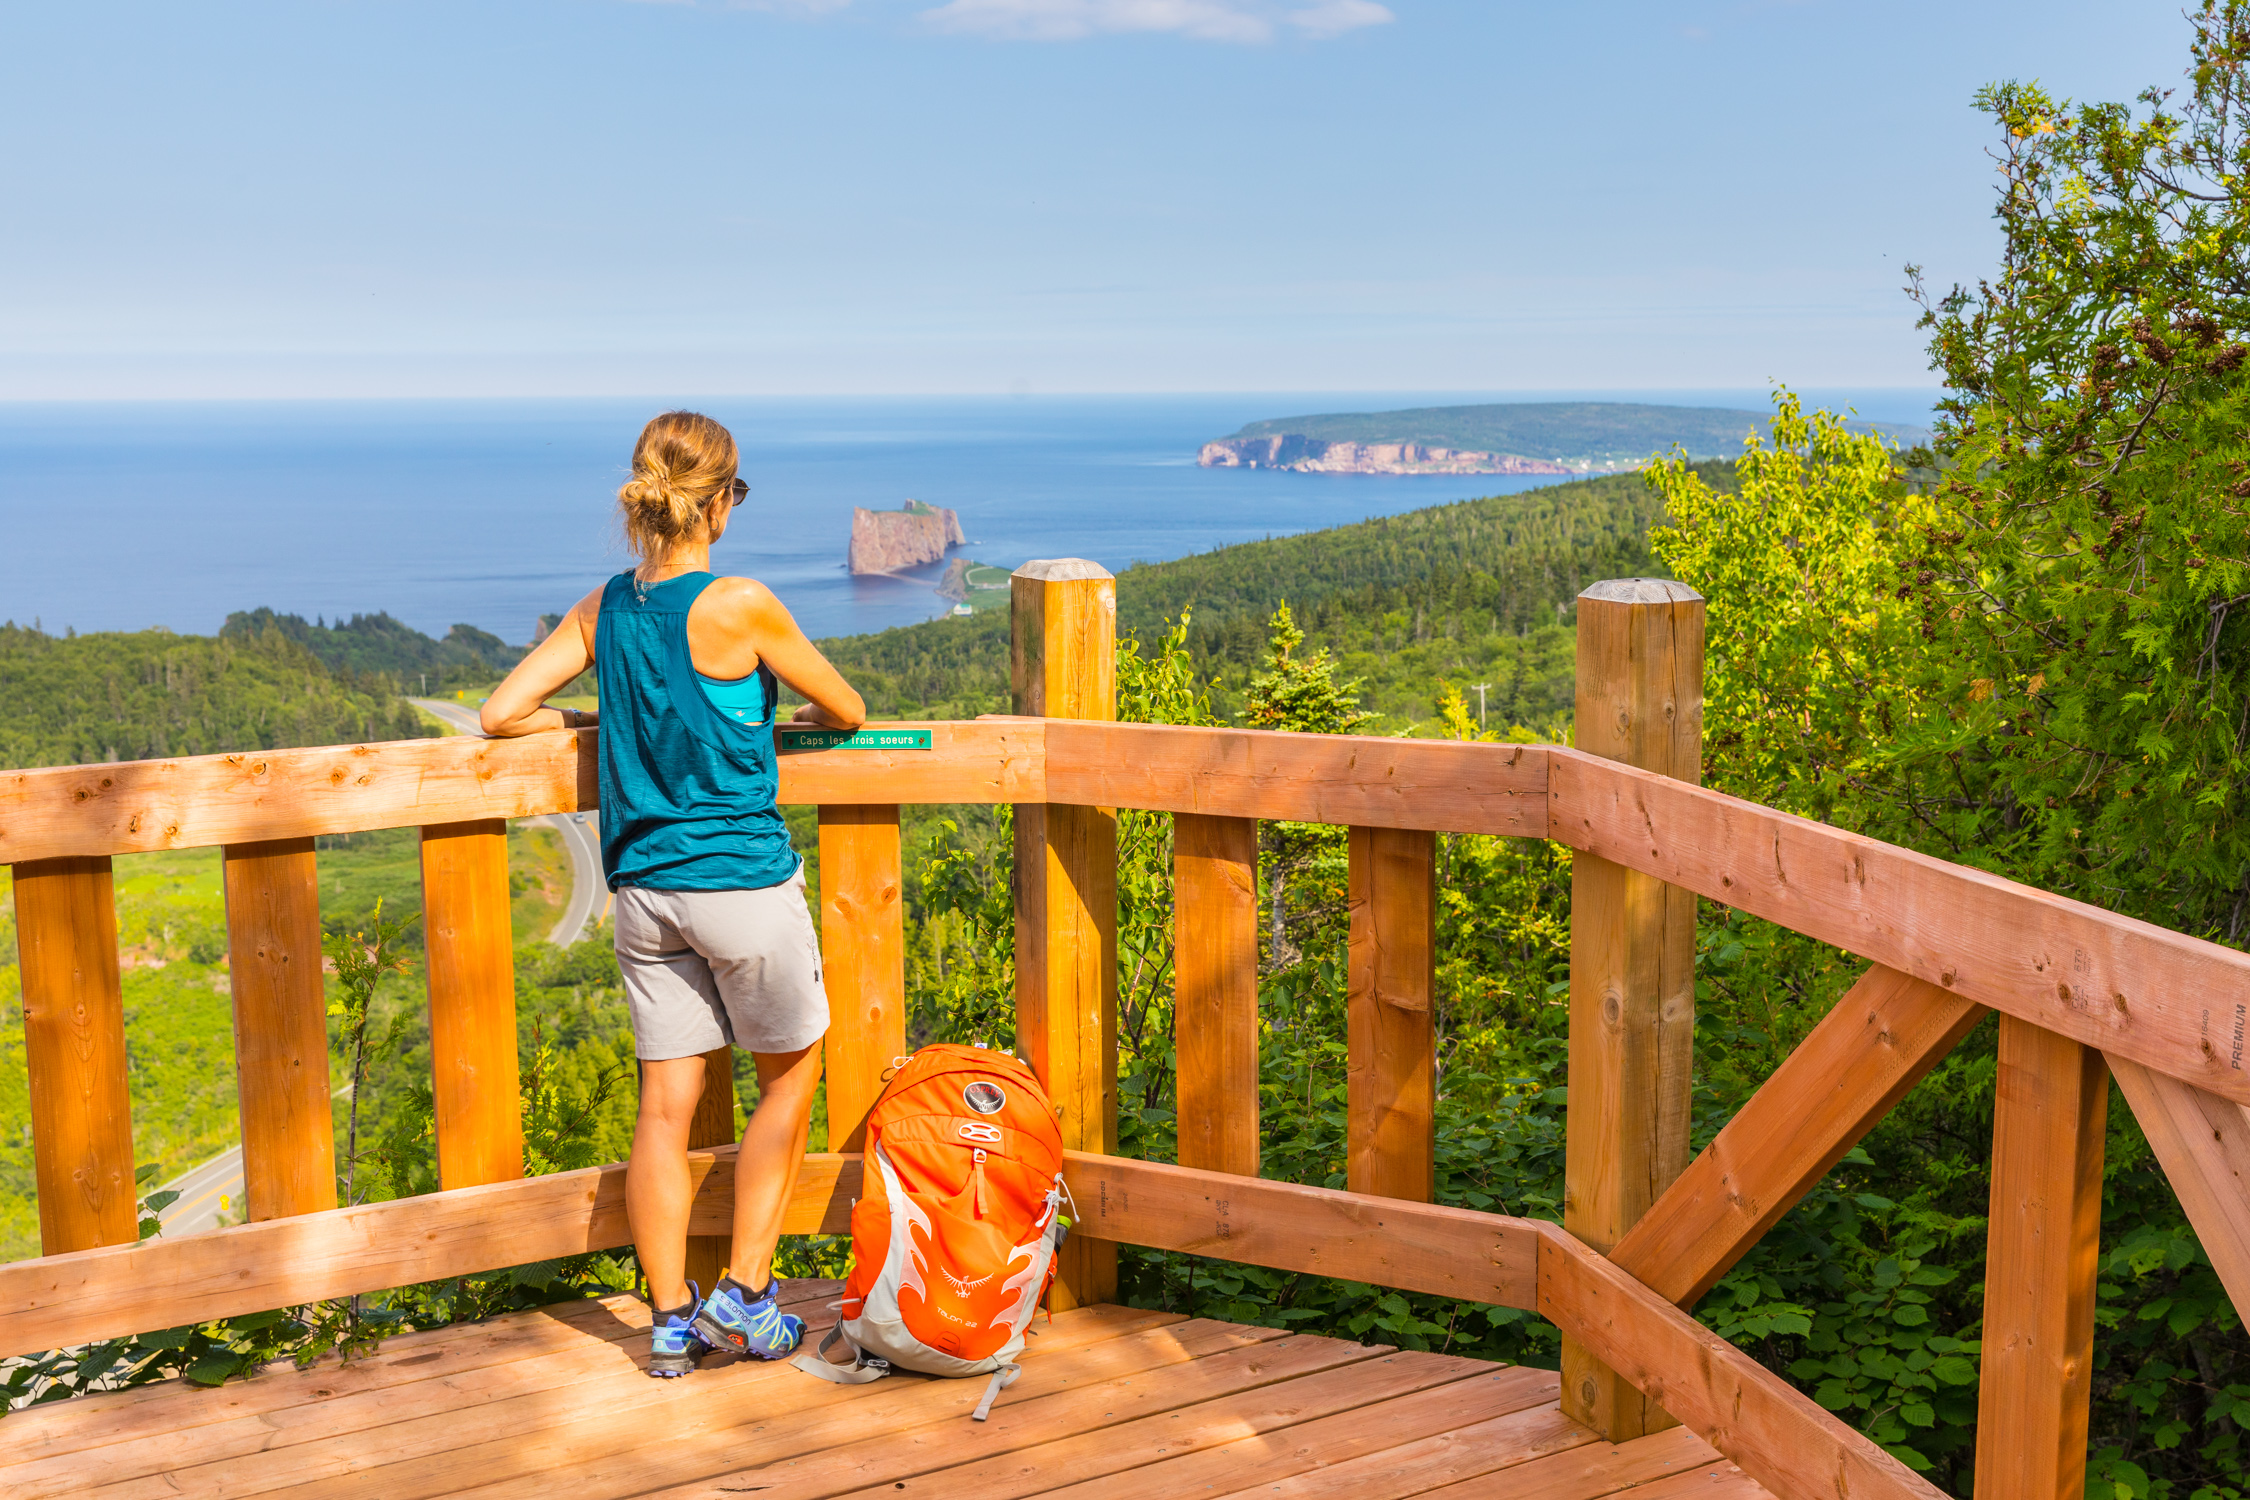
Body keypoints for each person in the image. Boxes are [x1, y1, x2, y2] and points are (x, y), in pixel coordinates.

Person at [483, 410, 866, 1376]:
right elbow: (850, 708)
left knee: (665, 1108)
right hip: (740, 878)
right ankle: (745, 1298)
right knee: (789, 1076)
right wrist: (781, 725)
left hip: (645, 890)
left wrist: (598, 717)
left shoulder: (602, 609)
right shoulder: (740, 603)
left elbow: (500, 714)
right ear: (720, 502)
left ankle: (666, 1321)